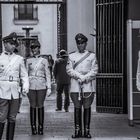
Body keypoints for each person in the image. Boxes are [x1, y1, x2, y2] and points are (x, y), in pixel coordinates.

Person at [66, 33, 98, 138]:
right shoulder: (71, 56)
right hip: (75, 86)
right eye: (78, 43)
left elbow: (94, 71)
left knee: (87, 108)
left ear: (86, 43)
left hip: (88, 86)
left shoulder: (92, 55)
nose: (80, 45)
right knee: (77, 108)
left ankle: (87, 131)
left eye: (82, 43)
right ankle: (77, 131)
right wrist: (79, 76)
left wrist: (84, 78)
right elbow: (69, 70)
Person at [0, 32, 29, 140]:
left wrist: (25, 86)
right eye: (11, 43)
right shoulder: (0, 58)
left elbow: (24, 75)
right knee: (2, 117)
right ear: (5, 44)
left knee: (12, 117)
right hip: (2, 91)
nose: (13, 46)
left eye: (14, 44)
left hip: (15, 92)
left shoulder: (19, 59)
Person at [26, 40, 51, 135]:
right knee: (32, 105)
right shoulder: (28, 60)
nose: (34, 49)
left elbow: (48, 74)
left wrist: (49, 87)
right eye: (32, 48)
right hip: (31, 85)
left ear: (39, 48)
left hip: (41, 84)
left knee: (40, 105)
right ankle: (33, 128)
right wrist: (25, 86)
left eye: (35, 47)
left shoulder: (44, 60)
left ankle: (41, 127)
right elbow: (25, 74)